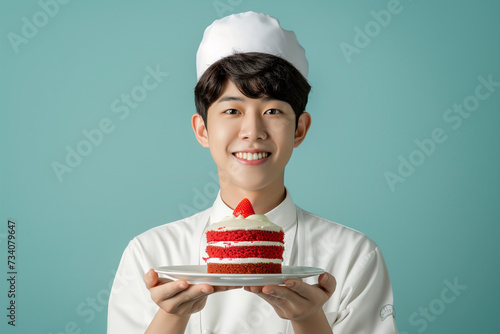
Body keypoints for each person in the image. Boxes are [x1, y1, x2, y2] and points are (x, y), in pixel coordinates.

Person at [107, 11, 398, 334]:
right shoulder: (151, 253)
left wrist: (309, 319)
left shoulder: (353, 255)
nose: (252, 131)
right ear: (202, 130)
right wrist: (172, 316)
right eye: (232, 110)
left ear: (299, 129)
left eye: (272, 111)